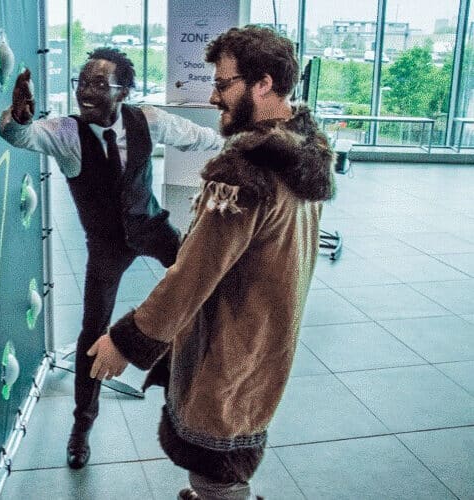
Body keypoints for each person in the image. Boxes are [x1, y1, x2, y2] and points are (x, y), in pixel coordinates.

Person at [87, 26, 335, 499]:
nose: (213, 96)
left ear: (263, 84)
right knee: (227, 461)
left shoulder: (245, 173)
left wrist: (127, 340)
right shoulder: (303, 154)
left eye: (223, 84)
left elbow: (194, 274)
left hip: (227, 352)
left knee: (216, 474)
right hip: (262, 344)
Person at [0, 47, 222, 469]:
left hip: (152, 228)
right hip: (106, 246)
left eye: (100, 84)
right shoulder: (66, 133)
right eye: (82, 82)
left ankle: (187, 374)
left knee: (201, 287)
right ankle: (81, 427)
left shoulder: (147, 120)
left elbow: (196, 136)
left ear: (124, 91)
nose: (86, 91)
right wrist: (19, 120)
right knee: (92, 332)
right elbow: (22, 136)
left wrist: (236, 145)